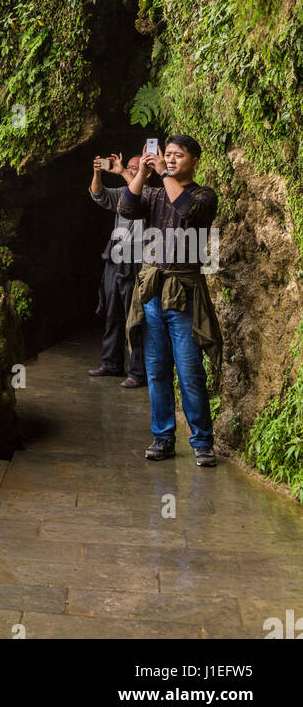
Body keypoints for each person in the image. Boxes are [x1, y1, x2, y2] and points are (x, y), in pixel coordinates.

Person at [118, 135, 222, 467]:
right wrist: (142, 175)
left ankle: (202, 442)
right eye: (168, 155)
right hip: (151, 293)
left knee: (190, 372)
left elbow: (187, 210)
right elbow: (126, 207)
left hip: (183, 293)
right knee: (157, 370)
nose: (172, 160)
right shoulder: (152, 193)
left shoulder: (204, 195)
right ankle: (162, 438)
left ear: (194, 160)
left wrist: (164, 173)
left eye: (178, 156)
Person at [88, 152, 146, 388]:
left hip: (137, 264)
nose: (130, 170)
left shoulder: (151, 195)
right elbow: (97, 194)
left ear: (147, 171)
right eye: (129, 167)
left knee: (135, 319)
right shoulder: (121, 194)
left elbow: (136, 191)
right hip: (115, 261)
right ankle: (111, 363)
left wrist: (122, 171)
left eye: (135, 168)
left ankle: (137, 372)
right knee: (112, 313)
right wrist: (97, 173)